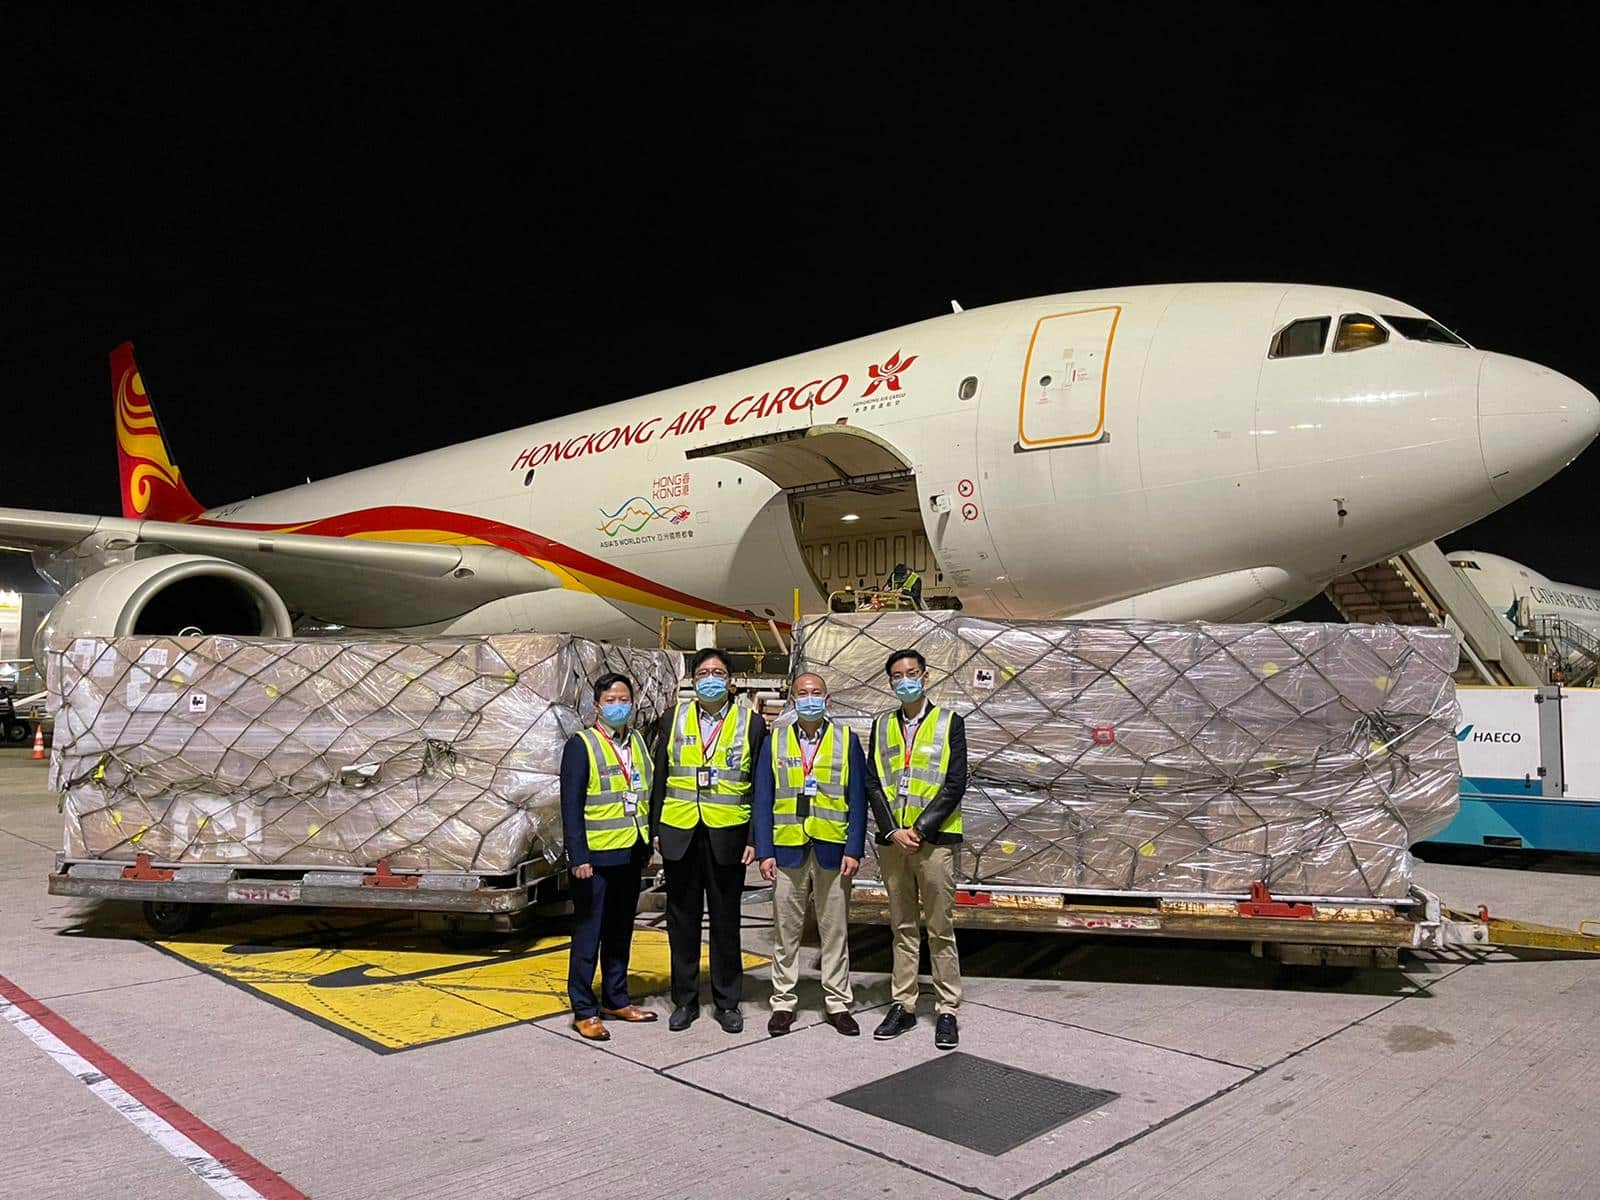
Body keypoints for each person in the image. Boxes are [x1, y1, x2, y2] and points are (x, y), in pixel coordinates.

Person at [650, 647, 765, 1033]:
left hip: (728, 833)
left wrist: (754, 837)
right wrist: (654, 829)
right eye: (703, 672)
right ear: (693, 680)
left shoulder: (751, 723)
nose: (710, 678)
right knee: (681, 922)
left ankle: (727, 1002)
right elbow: (660, 778)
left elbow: (757, 787)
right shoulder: (673, 718)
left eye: (718, 672)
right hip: (679, 831)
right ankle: (684, 1001)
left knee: (725, 921)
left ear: (731, 681)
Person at [753, 673, 868, 1037]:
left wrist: (854, 847)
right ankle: (783, 1002)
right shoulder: (775, 740)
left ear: (828, 700)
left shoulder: (846, 740)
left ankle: (837, 1002)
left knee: (834, 931)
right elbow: (763, 798)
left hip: (833, 848)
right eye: (802, 694)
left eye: (816, 693)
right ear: (791, 701)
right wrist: (765, 851)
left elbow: (858, 799)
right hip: (787, 848)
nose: (809, 699)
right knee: (785, 932)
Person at [863, 647, 967, 1049]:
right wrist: (893, 831)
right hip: (893, 843)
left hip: (934, 841)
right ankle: (903, 1004)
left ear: (925, 676)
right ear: (890, 683)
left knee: (940, 927)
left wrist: (919, 829)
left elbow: (955, 783)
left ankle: (946, 1009)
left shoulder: (949, 723)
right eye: (897, 676)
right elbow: (874, 782)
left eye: (911, 673)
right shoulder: (882, 725)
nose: (905, 680)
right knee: (902, 926)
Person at [561, 673, 658, 1041]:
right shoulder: (581, 745)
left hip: (630, 852)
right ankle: (584, 1009)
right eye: (611, 699)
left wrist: (646, 844)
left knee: (620, 932)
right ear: (597, 706)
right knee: (589, 934)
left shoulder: (636, 742)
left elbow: (642, 793)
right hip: (595, 860)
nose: (619, 705)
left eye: (624, 698)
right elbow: (571, 805)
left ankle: (616, 997)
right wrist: (578, 855)